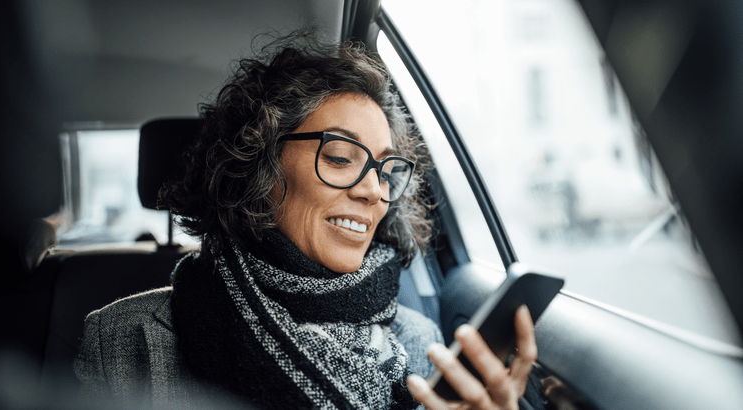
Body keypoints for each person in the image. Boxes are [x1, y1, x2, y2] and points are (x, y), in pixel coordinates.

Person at [73, 32, 537, 410]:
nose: (374, 191)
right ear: (259, 167)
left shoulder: (422, 341)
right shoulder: (124, 339)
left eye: (384, 170)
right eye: (340, 157)